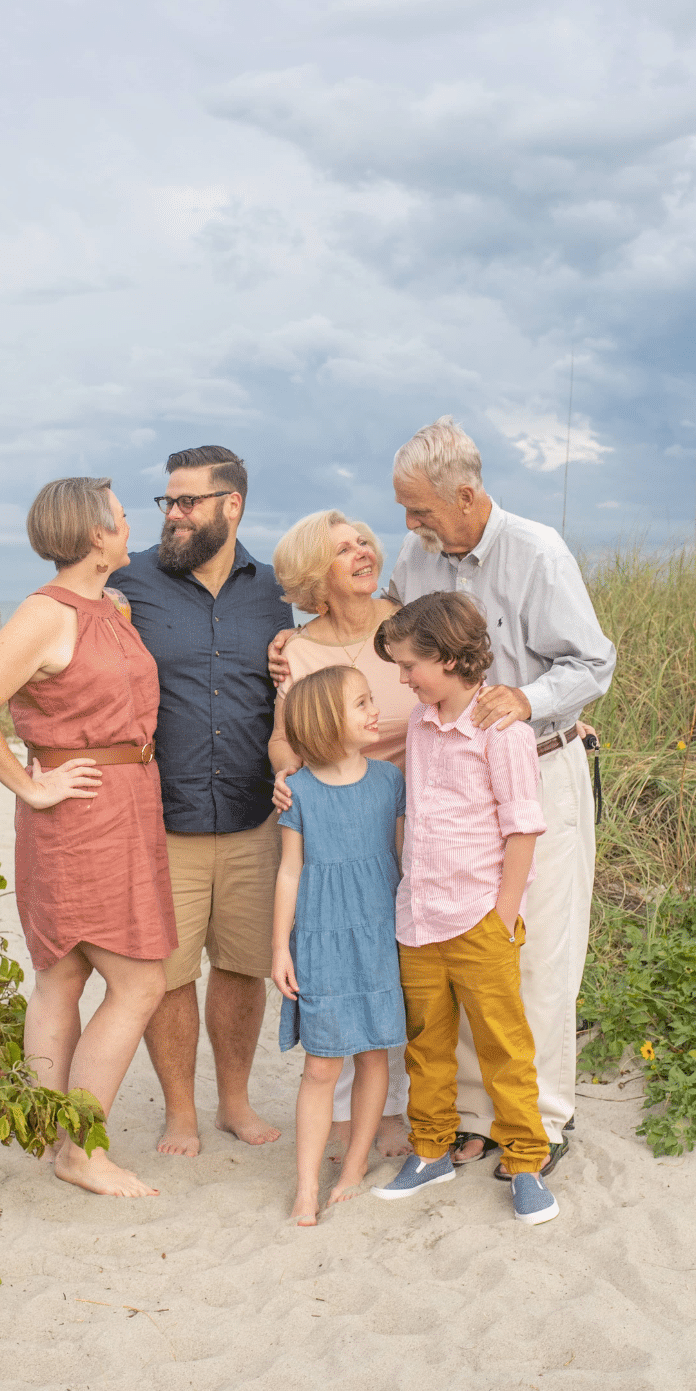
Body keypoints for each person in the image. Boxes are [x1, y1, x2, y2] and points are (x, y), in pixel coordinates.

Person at [386, 417, 615, 1178]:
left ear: (467, 493)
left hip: (538, 764)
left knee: (537, 948)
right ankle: (480, 1119)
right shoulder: (414, 558)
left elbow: (592, 662)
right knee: (463, 946)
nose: (410, 524)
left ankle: (544, 1122)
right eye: (405, 510)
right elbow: (383, 633)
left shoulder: (537, 551)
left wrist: (526, 697)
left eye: (419, 509)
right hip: (452, 781)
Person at [0, 477, 176, 1198]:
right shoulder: (46, 614)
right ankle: (82, 1148)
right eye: (119, 516)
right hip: (82, 811)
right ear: (94, 534)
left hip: (125, 800)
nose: (129, 522)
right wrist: (30, 782)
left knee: (66, 974)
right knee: (137, 981)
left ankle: (54, 1134)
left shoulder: (107, 606)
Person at [108, 445, 294, 1156]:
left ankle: (235, 1102)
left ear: (231, 506)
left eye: (187, 502)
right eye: (167, 503)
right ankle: (180, 1111)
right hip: (162, 816)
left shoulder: (278, 592)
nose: (173, 515)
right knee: (170, 974)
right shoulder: (127, 587)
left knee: (244, 966)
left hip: (256, 816)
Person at [369, 594, 557, 1224]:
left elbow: (523, 828)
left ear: (448, 658)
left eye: (408, 666)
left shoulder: (502, 729)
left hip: (479, 916)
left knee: (505, 1044)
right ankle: (431, 1150)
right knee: (426, 1043)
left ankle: (528, 1161)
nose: (402, 679)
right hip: (418, 915)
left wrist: (502, 914)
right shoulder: (421, 725)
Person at [269, 508, 417, 1160]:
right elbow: (283, 736)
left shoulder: (411, 622)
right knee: (356, 951)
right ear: (313, 574)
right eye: (343, 549)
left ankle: (422, 1108)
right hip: (337, 813)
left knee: (412, 958)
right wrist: (285, 777)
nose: (362, 553)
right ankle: (371, 1115)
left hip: (419, 804)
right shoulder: (296, 650)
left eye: (364, 542)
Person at [271, 666, 407, 1225]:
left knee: (375, 1052)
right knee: (321, 1067)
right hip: (321, 938)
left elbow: (403, 860)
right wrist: (280, 948)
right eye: (362, 704)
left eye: (372, 700)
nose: (375, 711)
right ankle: (306, 1185)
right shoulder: (297, 791)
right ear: (328, 721)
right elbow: (288, 873)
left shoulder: (389, 780)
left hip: (377, 933)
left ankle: (353, 1166)